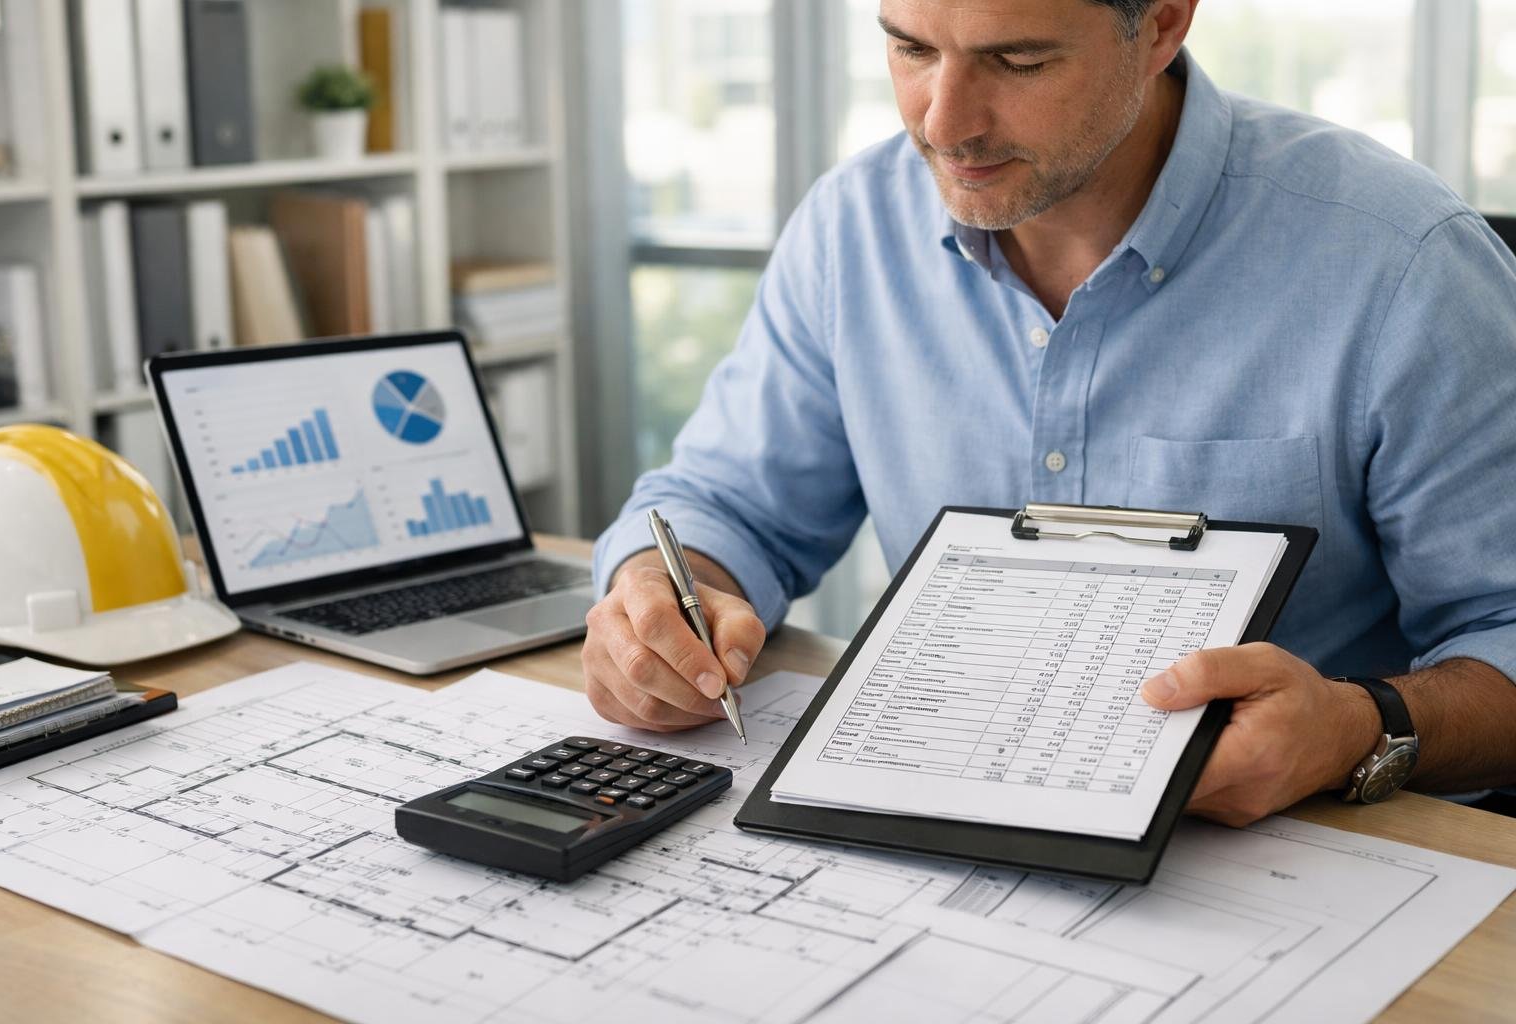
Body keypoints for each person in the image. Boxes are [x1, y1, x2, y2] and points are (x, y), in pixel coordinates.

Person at [583, 0, 1516, 825]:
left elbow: (1503, 625)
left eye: (1017, 61)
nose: (944, 124)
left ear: (1161, 25)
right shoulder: (850, 230)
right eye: (910, 49)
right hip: (934, 819)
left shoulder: (1402, 264)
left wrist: (1360, 724)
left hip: (1298, 855)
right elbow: (728, 502)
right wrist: (659, 601)